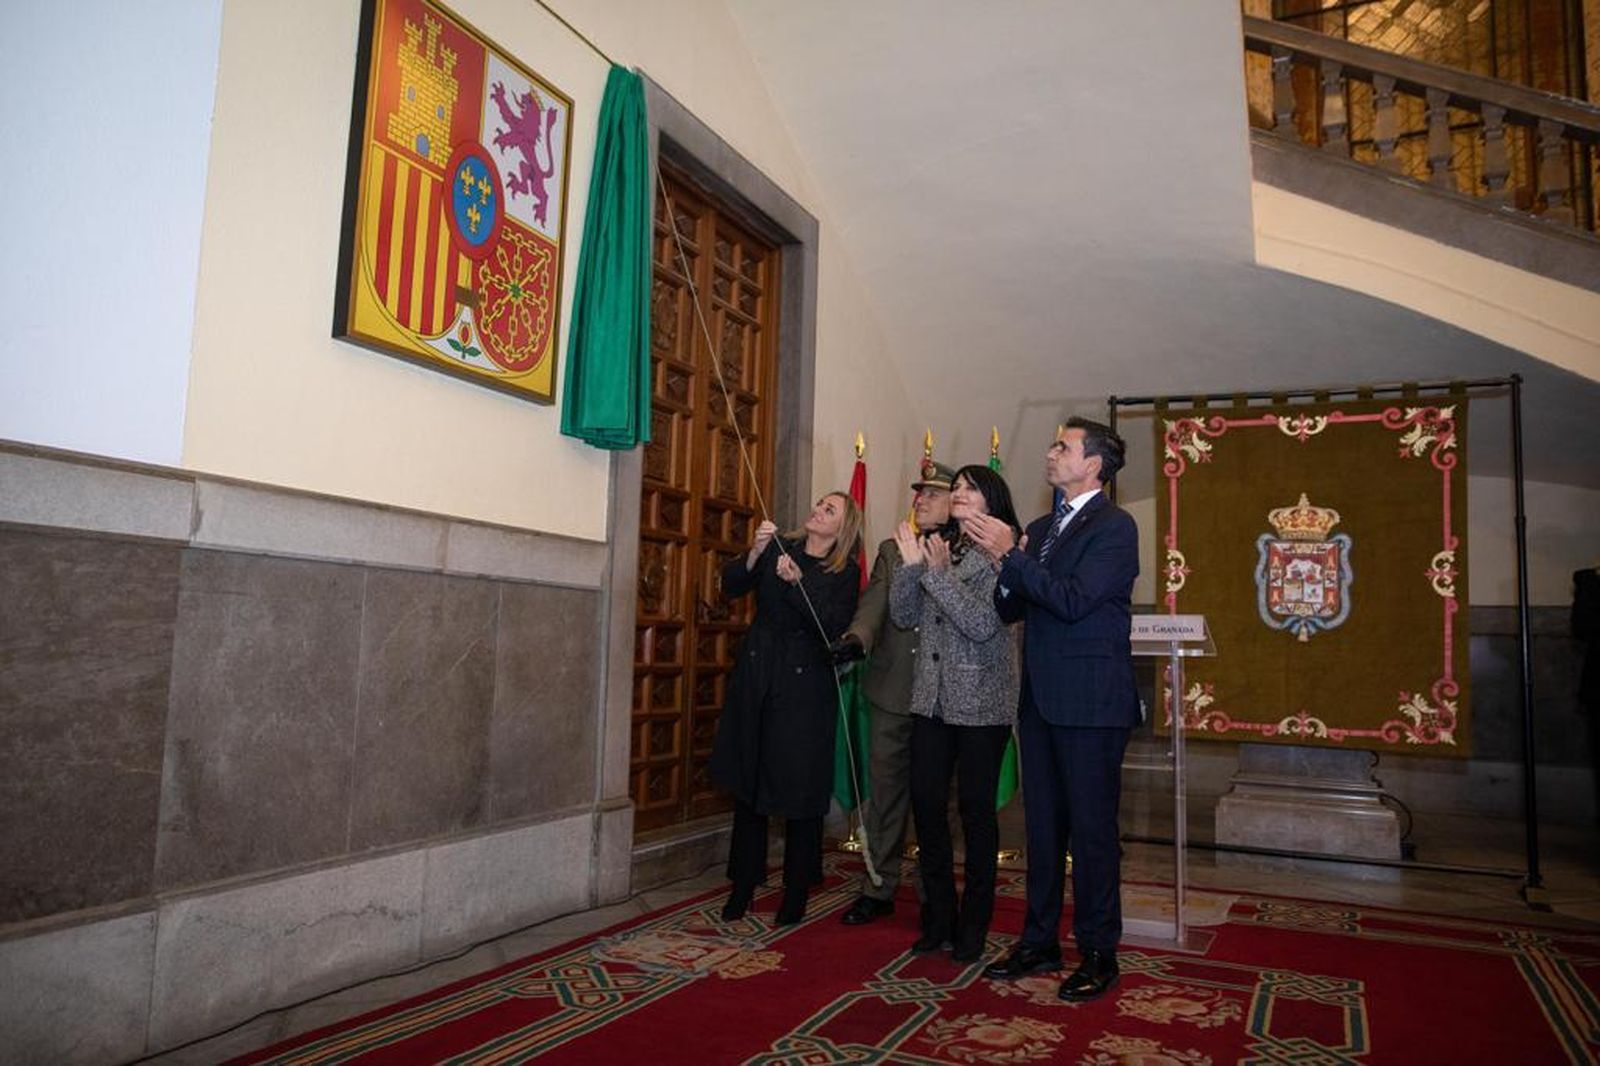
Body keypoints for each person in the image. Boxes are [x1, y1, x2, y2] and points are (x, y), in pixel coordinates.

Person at [966, 417, 1139, 1002]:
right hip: (1040, 699)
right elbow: (1013, 608)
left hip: (1092, 702)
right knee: (1042, 830)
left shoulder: (1115, 527)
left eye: (1062, 447)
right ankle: (1039, 939)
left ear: (1093, 464)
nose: (1049, 453)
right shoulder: (1038, 528)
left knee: (1090, 833)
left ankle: (1098, 950)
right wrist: (1004, 567)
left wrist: (1011, 560)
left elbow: (1072, 600)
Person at [710, 491, 863, 925]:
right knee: (749, 785)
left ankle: (795, 891)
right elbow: (732, 584)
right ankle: (742, 884)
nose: (817, 510)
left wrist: (800, 584)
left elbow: (832, 626)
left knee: (799, 794)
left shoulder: (843, 572)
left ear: (843, 527)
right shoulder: (781, 547)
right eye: (819, 503)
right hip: (759, 680)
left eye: (829, 509)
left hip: (804, 692)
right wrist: (756, 552)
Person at [890, 464, 1021, 962]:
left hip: (982, 705)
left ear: (992, 500)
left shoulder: (1002, 553)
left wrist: (938, 576)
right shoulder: (940, 545)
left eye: (970, 488)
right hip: (931, 700)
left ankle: (974, 924)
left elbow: (983, 624)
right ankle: (939, 915)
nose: (960, 494)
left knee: (976, 815)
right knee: (926, 808)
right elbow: (904, 616)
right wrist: (910, 566)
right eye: (958, 488)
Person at [830, 459, 956, 926]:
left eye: (933, 494)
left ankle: (934, 891)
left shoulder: (965, 552)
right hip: (893, 689)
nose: (920, 499)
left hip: (945, 698)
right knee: (885, 795)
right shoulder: (891, 549)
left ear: (956, 504)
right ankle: (878, 887)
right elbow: (874, 604)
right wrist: (855, 640)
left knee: (936, 800)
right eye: (919, 493)